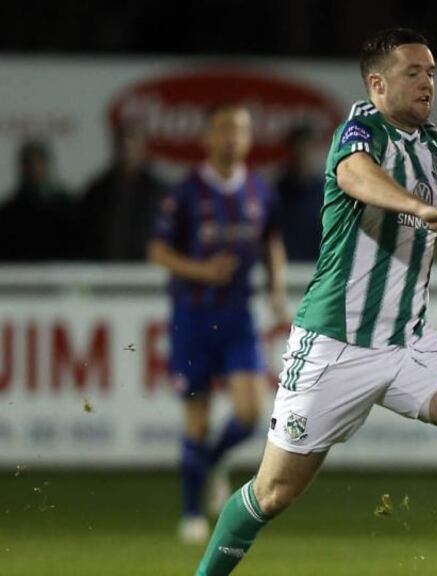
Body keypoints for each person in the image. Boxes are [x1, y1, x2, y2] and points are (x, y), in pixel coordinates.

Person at [193, 28, 437, 576]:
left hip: (407, 343)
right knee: (273, 494)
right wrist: (419, 210)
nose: (427, 83)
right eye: (413, 73)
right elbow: (355, 176)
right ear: (377, 83)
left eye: (432, 73)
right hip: (334, 344)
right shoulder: (358, 131)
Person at [148, 103, 289, 544]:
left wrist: (277, 289)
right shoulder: (185, 192)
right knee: (198, 418)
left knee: (250, 415)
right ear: (207, 137)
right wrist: (202, 271)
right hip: (192, 318)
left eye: (241, 130)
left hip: (238, 317)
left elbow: (272, 242)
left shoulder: (260, 192)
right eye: (225, 129)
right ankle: (191, 514)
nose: (233, 137)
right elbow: (158, 250)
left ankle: (209, 464)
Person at [80, 122, 166, 261]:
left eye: (132, 140)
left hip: (146, 274)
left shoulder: (158, 192)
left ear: (143, 147)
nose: (126, 147)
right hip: (102, 274)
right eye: (121, 142)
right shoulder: (96, 191)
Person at [0, 138, 73, 261]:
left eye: (38, 163)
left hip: (58, 273)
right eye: (29, 164)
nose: (34, 169)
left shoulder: (65, 207)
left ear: (46, 165)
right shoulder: (9, 212)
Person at [275, 123, 325, 261]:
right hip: (286, 270)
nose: (303, 156)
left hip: (317, 271)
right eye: (298, 151)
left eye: (308, 150)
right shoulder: (275, 192)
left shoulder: (327, 193)